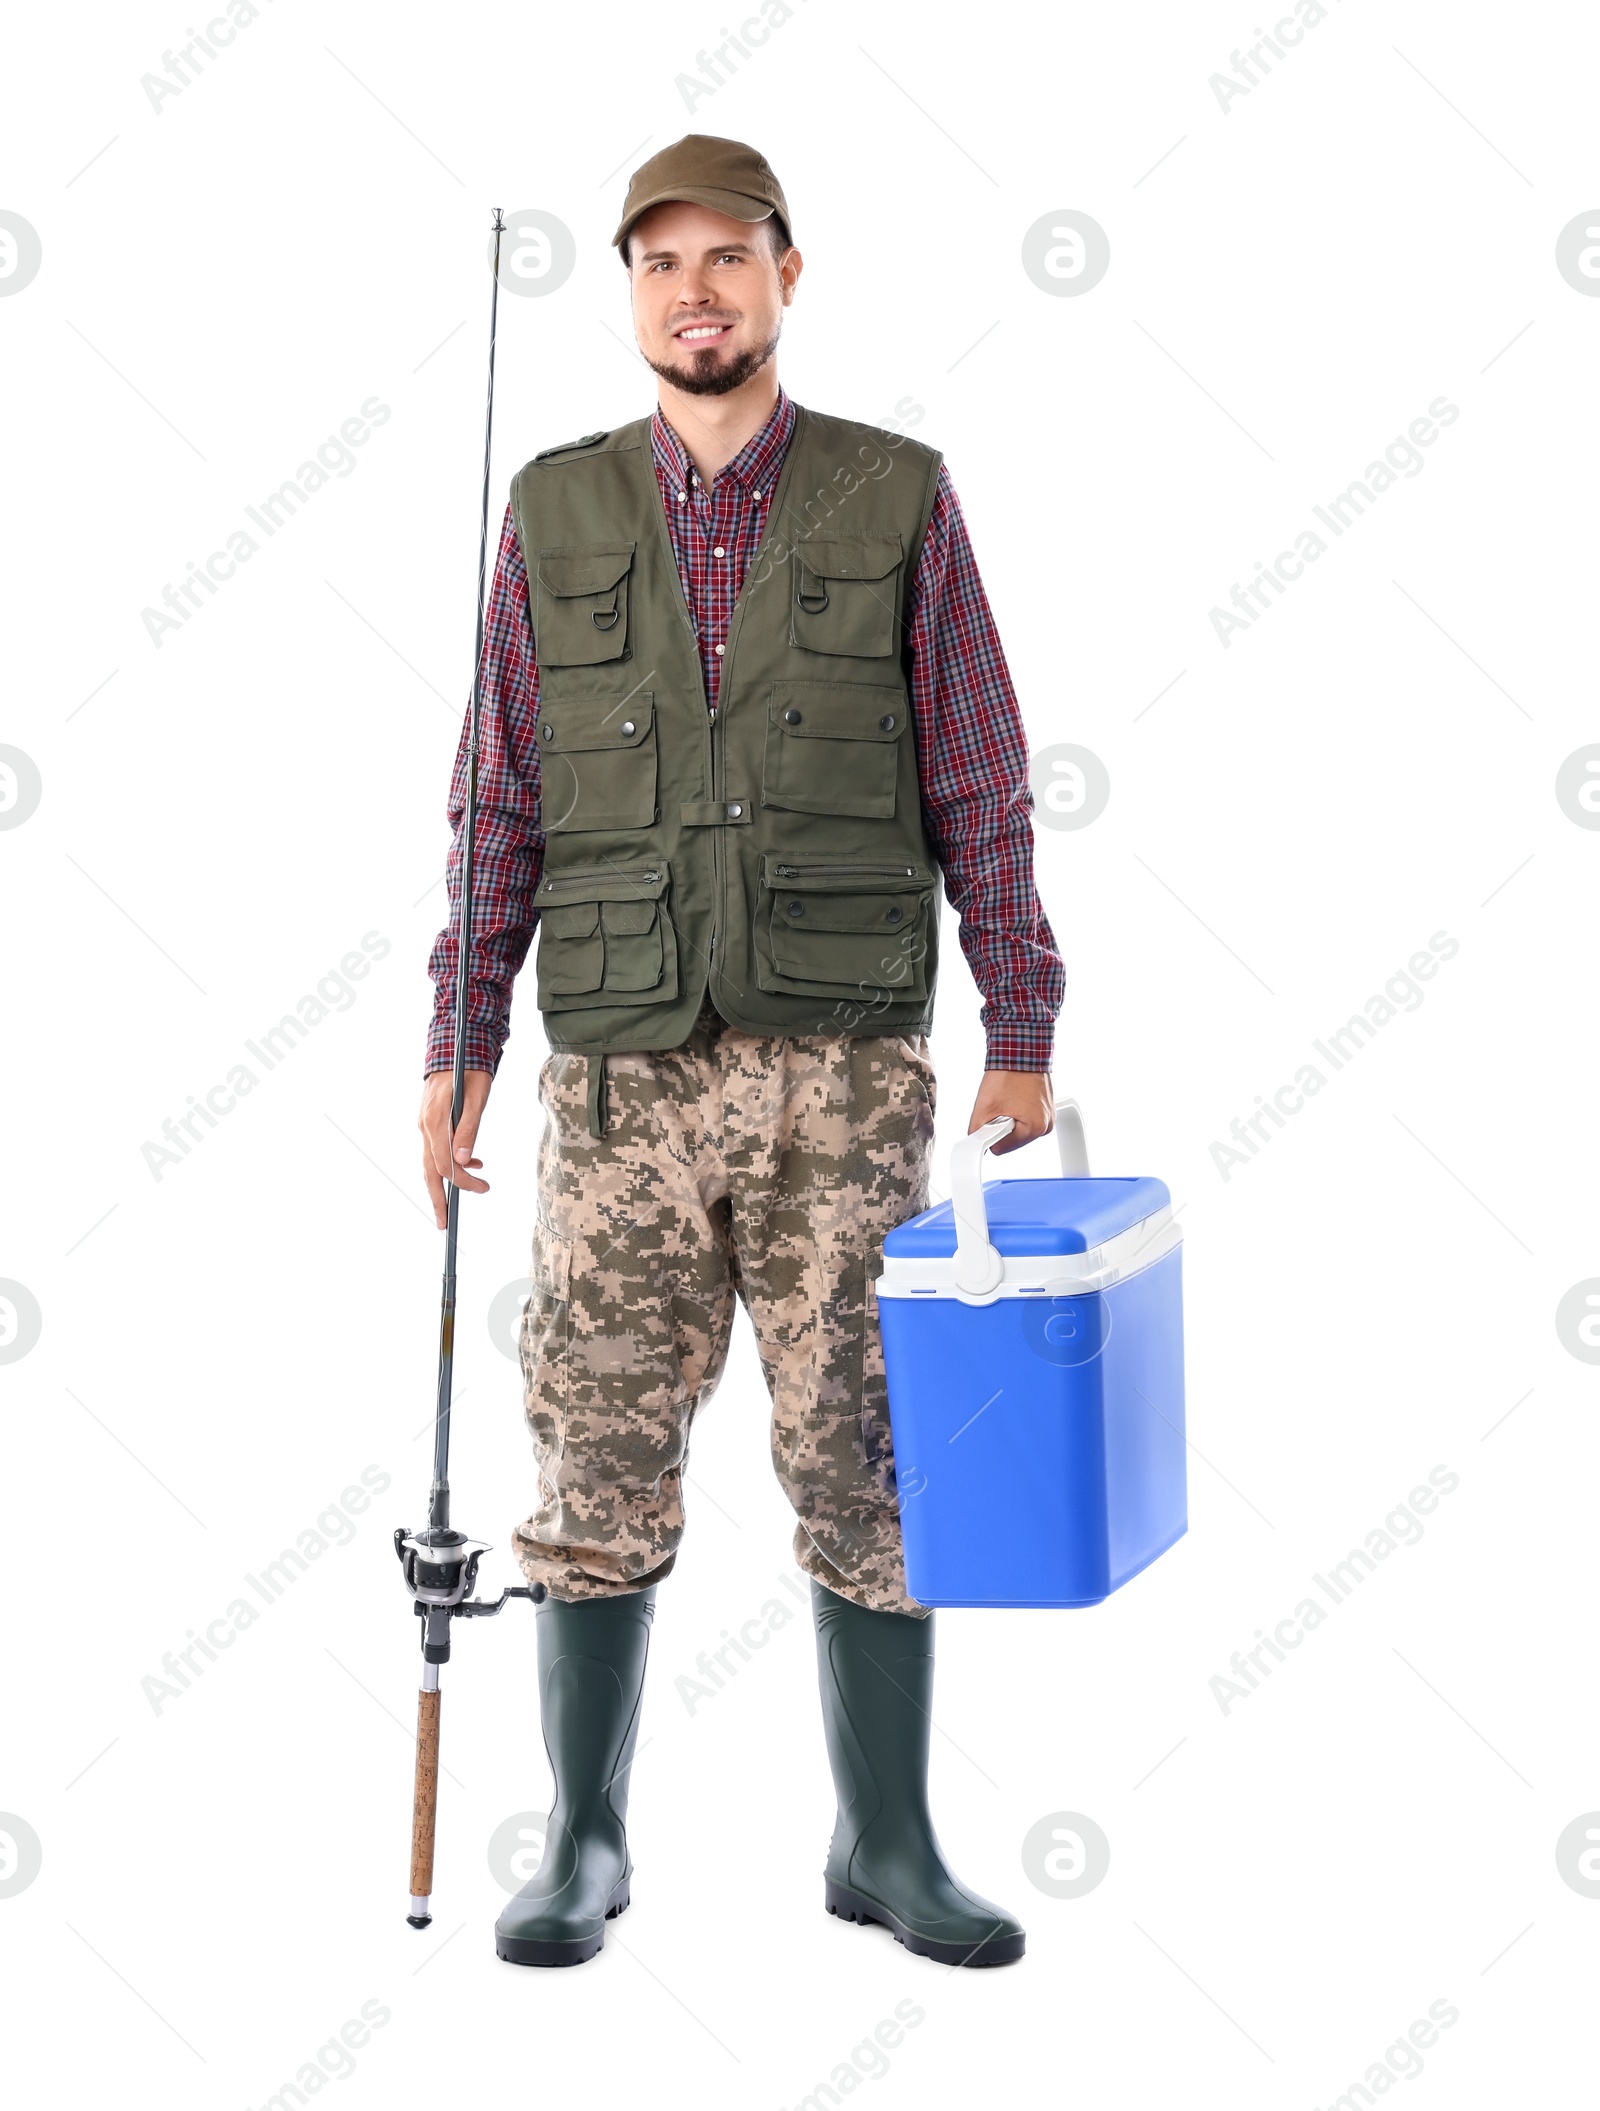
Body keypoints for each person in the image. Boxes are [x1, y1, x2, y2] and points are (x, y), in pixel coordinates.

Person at [419, 134, 1064, 1970]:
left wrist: (1024, 1015)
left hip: (845, 1071)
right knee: (595, 1445)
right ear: (628, 292)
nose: (695, 292)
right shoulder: (554, 510)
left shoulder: (898, 497)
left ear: (791, 274)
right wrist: (461, 1034)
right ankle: (588, 1841)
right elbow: (498, 798)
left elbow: (980, 773)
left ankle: (887, 1842)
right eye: (659, 263)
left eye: (729, 259)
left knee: (866, 1451)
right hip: (621, 1074)